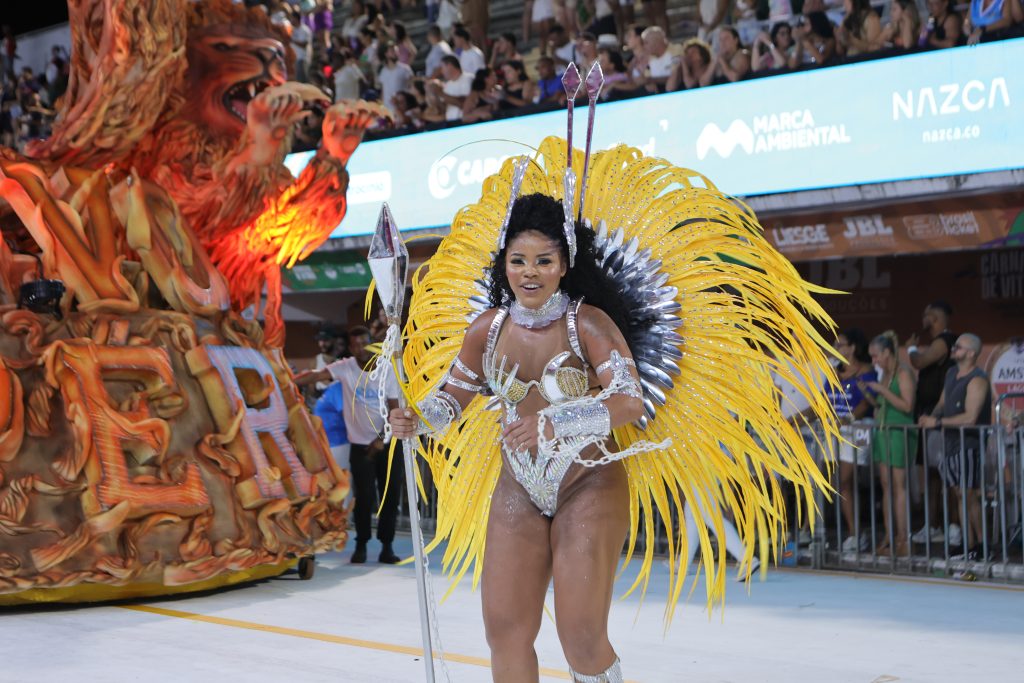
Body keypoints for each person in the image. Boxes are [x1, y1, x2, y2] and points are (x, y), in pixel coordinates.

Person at [385, 97, 838, 678]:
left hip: (589, 485)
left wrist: (551, 422)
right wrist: (418, 418)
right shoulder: (486, 329)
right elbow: (455, 397)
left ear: (565, 263)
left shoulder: (589, 324)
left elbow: (628, 402)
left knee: (580, 639)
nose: (529, 272)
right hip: (517, 489)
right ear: (503, 262)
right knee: (506, 632)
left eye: (543, 260)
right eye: (518, 260)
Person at [296, 327, 402, 564]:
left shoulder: (387, 370)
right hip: (360, 446)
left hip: (387, 442)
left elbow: (395, 411)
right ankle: (361, 545)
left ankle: (387, 546)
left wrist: (380, 440)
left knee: (390, 497)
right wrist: (286, 380)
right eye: (354, 345)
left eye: (364, 343)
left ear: (371, 343)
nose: (360, 349)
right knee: (363, 499)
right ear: (350, 347)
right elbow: (316, 375)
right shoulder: (346, 367)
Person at [918, 334, 992, 560]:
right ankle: (968, 544)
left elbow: (970, 417)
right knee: (959, 494)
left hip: (968, 445)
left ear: (971, 353)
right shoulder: (951, 373)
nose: (954, 348)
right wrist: (929, 417)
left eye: (959, 346)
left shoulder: (978, 379)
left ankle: (982, 545)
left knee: (969, 496)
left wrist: (936, 422)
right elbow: (942, 402)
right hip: (950, 444)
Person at [861, 331, 917, 557]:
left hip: (899, 433)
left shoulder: (904, 373)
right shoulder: (884, 373)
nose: (873, 361)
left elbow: (907, 406)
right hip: (883, 433)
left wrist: (882, 390)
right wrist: (869, 395)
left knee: (898, 486)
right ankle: (889, 536)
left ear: (887, 352)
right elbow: (882, 405)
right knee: (886, 485)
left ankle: (904, 538)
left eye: (875, 356)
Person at [825, 329, 878, 552]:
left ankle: (857, 533)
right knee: (840, 483)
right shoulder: (833, 372)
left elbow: (868, 402)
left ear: (853, 348)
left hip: (857, 431)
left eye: (841, 345)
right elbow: (824, 399)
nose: (836, 349)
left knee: (845, 480)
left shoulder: (866, 372)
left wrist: (849, 418)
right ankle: (852, 531)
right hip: (835, 432)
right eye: (835, 346)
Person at [314, 380, 352, 503]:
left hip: (338, 443)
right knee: (332, 483)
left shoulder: (339, 387)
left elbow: (347, 414)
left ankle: (345, 516)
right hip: (328, 444)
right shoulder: (331, 388)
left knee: (341, 483)